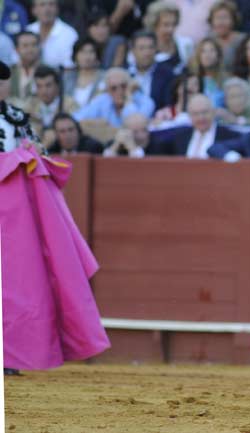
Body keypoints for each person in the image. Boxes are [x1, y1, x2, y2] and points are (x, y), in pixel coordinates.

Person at [0, 60, 110, 376]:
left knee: (19, 283)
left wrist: (32, 152)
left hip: (15, 213)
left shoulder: (17, 119)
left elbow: (40, 154)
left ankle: (11, 355)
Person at [147, 93, 241, 157]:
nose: (201, 118)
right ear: (190, 116)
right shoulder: (180, 137)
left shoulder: (229, 136)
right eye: (196, 114)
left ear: (213, 112)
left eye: (205, 112)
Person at [74, 67, 156, 128]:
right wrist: (91, 123)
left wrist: (128, 98)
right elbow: (75, 119)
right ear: (107, 90)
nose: (119, 91)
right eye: (114, 88)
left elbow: (135, 125)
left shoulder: (145, 102)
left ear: (130, 85)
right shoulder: (104, 99)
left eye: (123, 86)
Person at [25, 0, 79, 68]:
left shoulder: (69, 34)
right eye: (42, 5)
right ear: (34, 10)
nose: (47, 9)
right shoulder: (28, 30)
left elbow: (70, 66)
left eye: (51, 4)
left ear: (57, 9)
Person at [62, 39, 106, 109]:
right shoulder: (67, 78)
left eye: (91, 52)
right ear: (75, 56)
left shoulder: (105, 77)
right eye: (82, 52)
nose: (87, 56)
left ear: (97, 56)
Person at [208, 0, 246, 70]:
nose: (221, 22)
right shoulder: (208, 41)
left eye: (225, 17)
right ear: (211, 20)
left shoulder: (243, 41)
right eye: (217, 18)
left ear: (233, 20)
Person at [190, 37, 227, 108]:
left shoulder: (226, 80)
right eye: (203, 51)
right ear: (198, 56)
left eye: (212, 50)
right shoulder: (192, 81)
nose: (207, 54)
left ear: (218, 55)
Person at [9, 31, 41, 104]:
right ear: (17, 49)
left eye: (34, 45)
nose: (30, 49)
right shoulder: (9, 72)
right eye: (25, 45)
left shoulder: (49, 71)